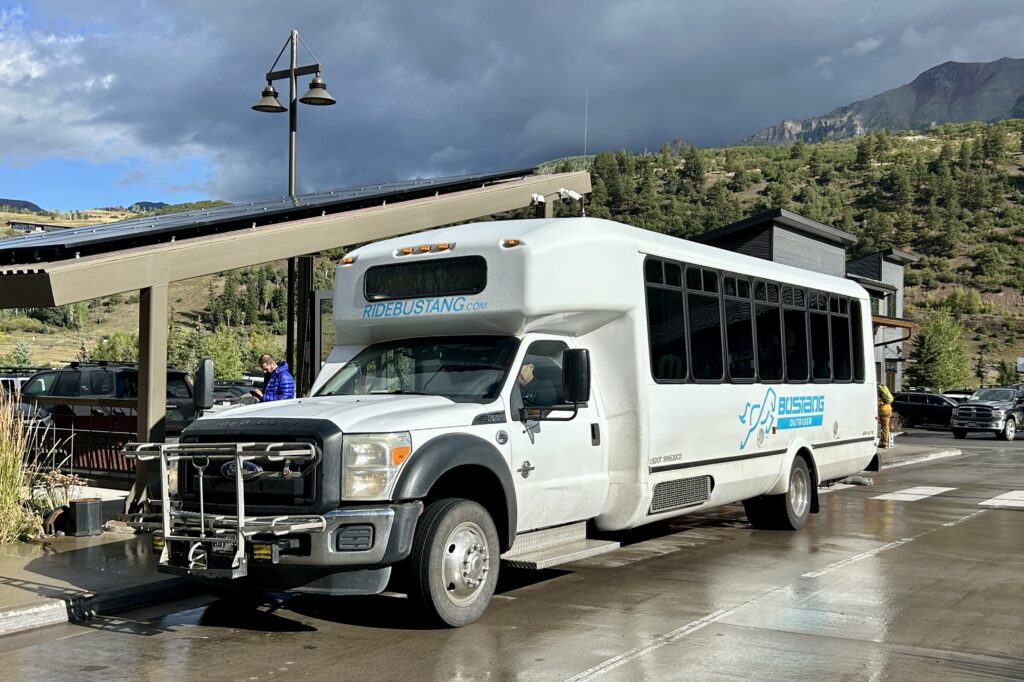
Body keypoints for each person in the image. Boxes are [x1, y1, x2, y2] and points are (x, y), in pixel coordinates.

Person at [877, 383, 894, 448]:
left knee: (884, 428)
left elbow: (878, 403)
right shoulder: (884, 392)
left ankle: (884, 443)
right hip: (889, 410)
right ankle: (886, 441)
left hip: (883, 411)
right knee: (886, 427)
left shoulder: (878, 394)